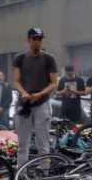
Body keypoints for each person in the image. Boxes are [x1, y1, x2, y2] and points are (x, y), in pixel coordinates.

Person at [12, 27, 58, 167]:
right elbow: (16, 81)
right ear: (28, 40)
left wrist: (40, 94)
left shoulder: (49, 58)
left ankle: (44, 173)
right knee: (22, 143)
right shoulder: (19, 58)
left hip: (42, 104)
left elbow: (54, 83)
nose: (37, 42)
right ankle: (21, 174)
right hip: (24, 103)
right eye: (34, 39)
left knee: (43, 143)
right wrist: (24, 93)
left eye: (40, 39)